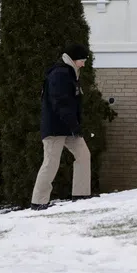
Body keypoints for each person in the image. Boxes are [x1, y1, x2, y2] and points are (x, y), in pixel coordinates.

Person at [31, 43, 93, 210]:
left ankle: (81, 195)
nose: (84, 64)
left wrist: (75, 125)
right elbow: (60, 103)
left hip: (68, 127)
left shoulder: (71, 73)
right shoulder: (60, 74)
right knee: (51, 163)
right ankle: (38, 201)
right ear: (74, 59)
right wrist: (74, 124)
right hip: (55, 128)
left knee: (84, 155)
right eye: (82, 60)